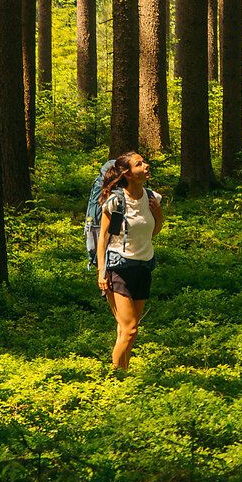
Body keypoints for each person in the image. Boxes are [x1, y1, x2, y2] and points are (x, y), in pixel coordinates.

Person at [96, 151, 162, 376]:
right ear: (127, 173)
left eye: (144, 162)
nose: (146, 165)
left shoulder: (152, 197)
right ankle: (114, 378)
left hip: (144, 267)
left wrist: (159, 214)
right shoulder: (115, 201)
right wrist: (101, 271)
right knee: (130, 329)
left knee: (125, 331)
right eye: (139, 164)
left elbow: (153, 231)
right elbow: (103, 237)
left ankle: (124, 373)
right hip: (119, 267)